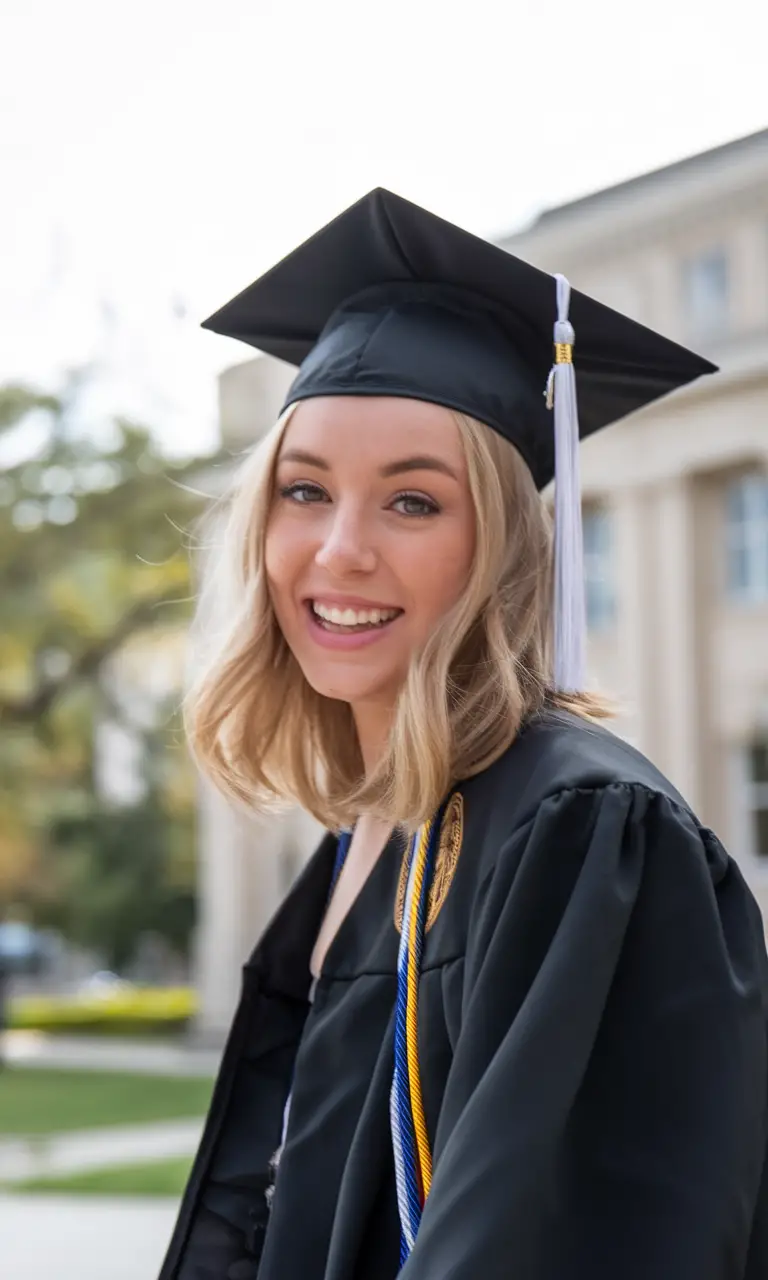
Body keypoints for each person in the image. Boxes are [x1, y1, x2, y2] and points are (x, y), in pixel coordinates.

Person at [158, 190, 768, 1280]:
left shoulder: (581, 830)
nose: (339, 549)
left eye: (413, 502)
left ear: (505, 546)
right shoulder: (370, 831)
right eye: (306, 490)